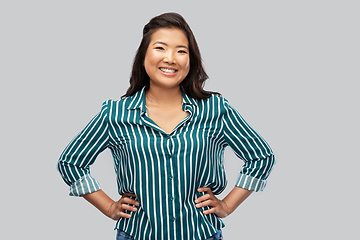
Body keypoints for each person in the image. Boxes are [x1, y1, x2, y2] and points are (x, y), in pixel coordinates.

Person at [57, 12, 275, 240]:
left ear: (190, 60)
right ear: (143, 56)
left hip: (201, 235)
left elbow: (261, 157)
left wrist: (227, 206)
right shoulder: (116, 113)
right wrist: (109, 207)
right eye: (160, 48)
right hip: (136, 235)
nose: (170, 58)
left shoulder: (215, 109)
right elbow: (71, 162)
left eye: (181, 51)